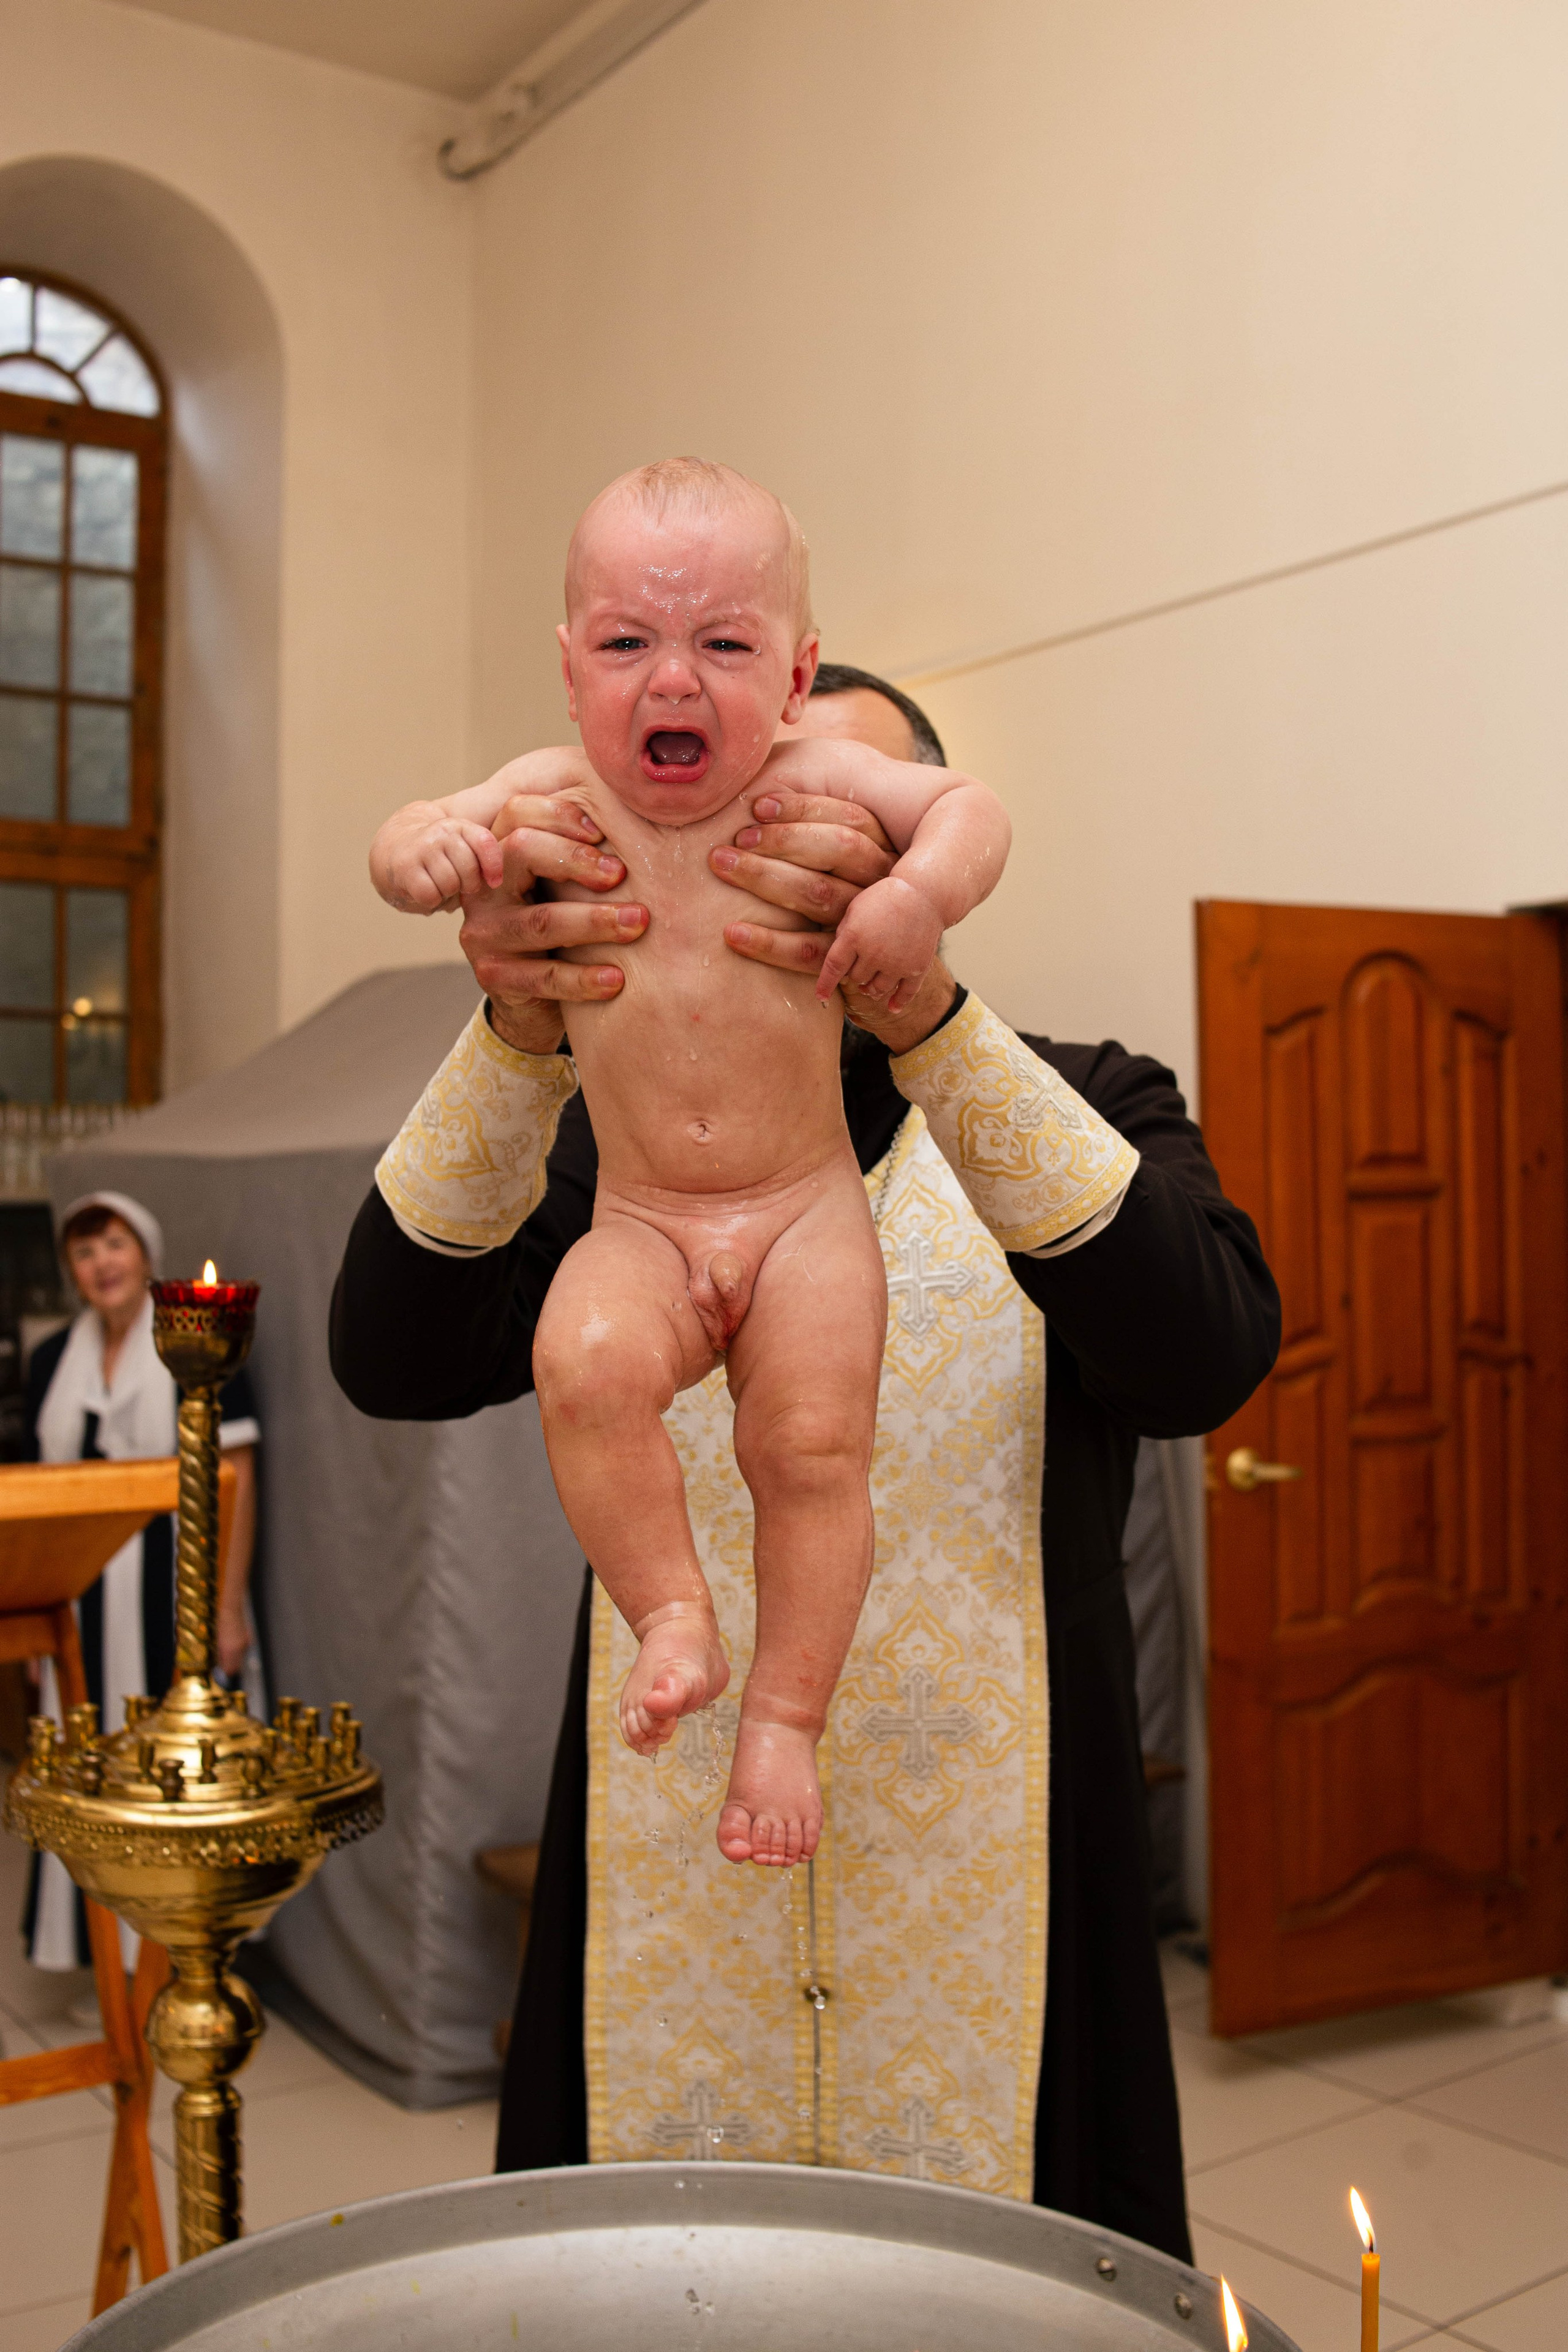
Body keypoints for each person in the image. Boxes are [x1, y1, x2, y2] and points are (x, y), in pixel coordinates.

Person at [331, 662, 1278, 2261]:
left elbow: (1207, 1358)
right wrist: (516, 1025)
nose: (769, 848)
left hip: (1006, 1892)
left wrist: (925, 1020)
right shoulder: (612, 1146)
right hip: (670, 1869)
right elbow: (393, 1353)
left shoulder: (1089, 1094)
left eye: (822, 811)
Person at [370, 458, 1011, 1868]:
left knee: (807, 1443)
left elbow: (970, 812)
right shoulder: (548, 797)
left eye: (722, 644)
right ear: (565, 665)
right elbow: (408, 829)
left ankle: (784, 1716)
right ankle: (670, 1608)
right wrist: (427, 862)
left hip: (799, 1211)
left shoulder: (818, 780)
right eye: (627, 642)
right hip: (642, 1211)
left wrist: (909, 894)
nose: (674, 677)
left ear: (794, 675)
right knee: (581, 1361)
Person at [21, 1190, 261, 1972]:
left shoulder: (198, 1339)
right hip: (80, 1586)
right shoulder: (54, 1359)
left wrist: (225, 1608)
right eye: (85, 1253)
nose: (102, 1264)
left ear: (146, 1253)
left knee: (172, 1766)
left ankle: (179, 1953)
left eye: (114, 1245)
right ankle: (92, 1943)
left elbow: (237, 1479)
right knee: (88, 1763)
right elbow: (41, 1489)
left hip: (172, 1582)